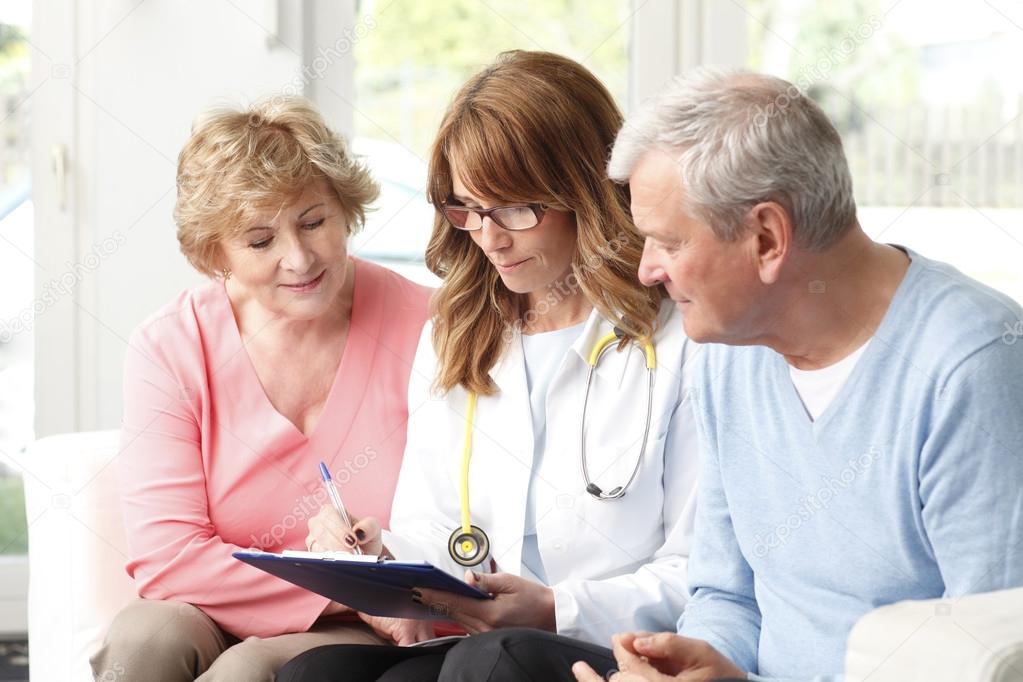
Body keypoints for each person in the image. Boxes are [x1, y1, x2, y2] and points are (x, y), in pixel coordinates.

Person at [443, 69, 1023, 682]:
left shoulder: (970, 366)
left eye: (668, 242)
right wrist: (685, 668)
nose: (646, 271)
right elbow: (725, 596)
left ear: (768, 238)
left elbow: (990, 662)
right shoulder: (731, 354)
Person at [276, 50, 701, 682]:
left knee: (492, 661)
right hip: (482, 645)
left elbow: (701, 567)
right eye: (467, 209)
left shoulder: (680, 337)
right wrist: (382, 552)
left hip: (610, 641)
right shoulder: (458, 332)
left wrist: (558, 608)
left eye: (514, 208)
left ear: (584, 189)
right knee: (319, 675)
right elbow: (438, 526)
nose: (488, 236)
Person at [90, 98, 433, 682]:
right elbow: (167, 556)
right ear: (213, 254)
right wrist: (342, 592)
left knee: (247, 673)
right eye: (258, 241)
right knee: (144, 639)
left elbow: (466, 520)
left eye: (313, 221)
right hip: (240, 606)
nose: (298, 258)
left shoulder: (427, 324)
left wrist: (375, 590)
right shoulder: (171, 347)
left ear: (345, 211)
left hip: (374, 624)